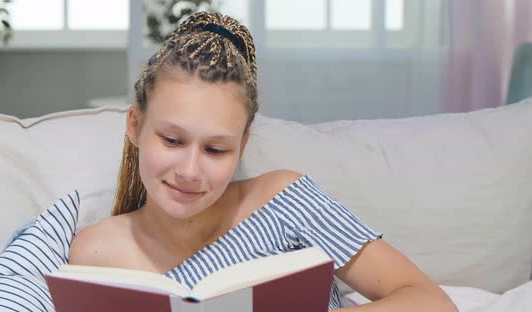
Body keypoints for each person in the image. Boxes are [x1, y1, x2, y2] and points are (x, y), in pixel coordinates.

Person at [69, 11, 457, 311]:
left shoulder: (285, 199)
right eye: (172, 140)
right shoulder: (95, 253)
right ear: (135, 126)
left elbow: (430, 301)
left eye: (215, 150)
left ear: (242, 144)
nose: (189, 171)